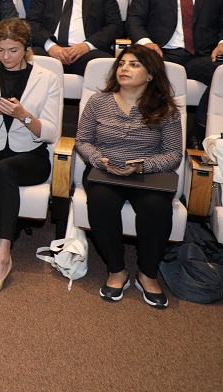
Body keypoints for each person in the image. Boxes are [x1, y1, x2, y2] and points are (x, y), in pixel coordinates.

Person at [0, 19, 63, 293]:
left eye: (13, 50)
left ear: (26, 47)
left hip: (30, 154)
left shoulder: (47, 78)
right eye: (0, 50)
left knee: (5, 168)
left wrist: (23, 116)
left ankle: (3, 253)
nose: (6, 57)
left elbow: (50, 132)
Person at [78, 45, 183, 308]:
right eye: (122, 63)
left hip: (148, 175)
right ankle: (117, 270)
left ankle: (147, 273)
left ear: (150, 74)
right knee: (101, 202)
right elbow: (83, 141)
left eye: (134, 64)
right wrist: (99, 159)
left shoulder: (166, 109)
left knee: (156, 208)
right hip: (106, 171)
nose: (125, 68)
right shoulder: (98, 102)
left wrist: (142, 166)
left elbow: (173, 155)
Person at [126, 0, 223, 130]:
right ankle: (146, 133)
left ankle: (200, 130)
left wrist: (222, 43)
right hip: (161, 54)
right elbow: (134, 19)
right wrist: (146, 43)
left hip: (203, 55)